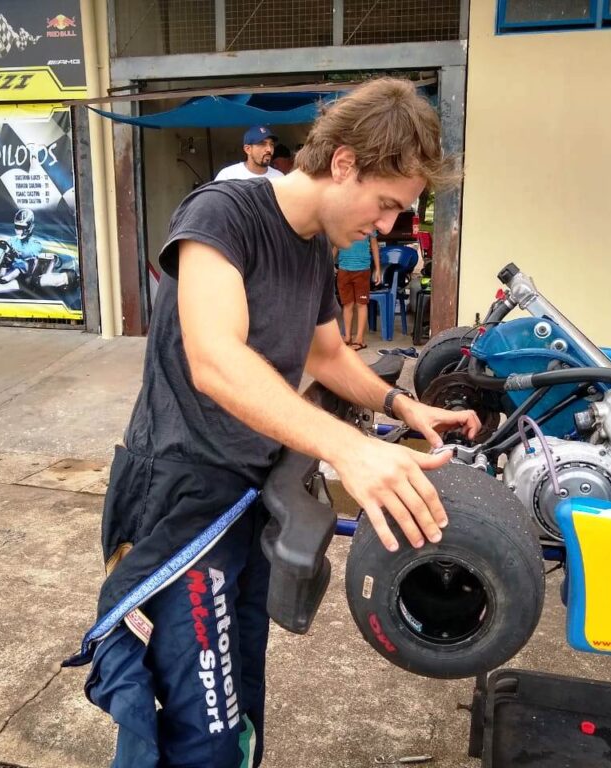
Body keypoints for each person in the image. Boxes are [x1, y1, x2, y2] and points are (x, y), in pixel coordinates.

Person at [82, 77, 479, 768]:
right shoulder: (221, 214)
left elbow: (326, 354)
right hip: (180, 505)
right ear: (345, 162)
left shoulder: (312, 243)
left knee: (240, 705)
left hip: (247, 500)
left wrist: (403, 404)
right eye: (386, 205)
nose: (387, 228)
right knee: (195, 729)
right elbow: (214, 358)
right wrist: (348, 449)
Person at [334, 234, 380, 350]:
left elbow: (374, 245)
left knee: (361, 304)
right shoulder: (341, 222)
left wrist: (378, 269)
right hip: (344, 269)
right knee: (347, 304)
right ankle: (348, 337)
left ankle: (359, 339)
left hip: (362, 269)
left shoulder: (369, 222)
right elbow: (336, 244)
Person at [214, 126, 284, 181]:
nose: (269, 149)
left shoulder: (279, 177)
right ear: (248, 149)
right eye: (262, 144)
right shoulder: (228, 176)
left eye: (271, 144)